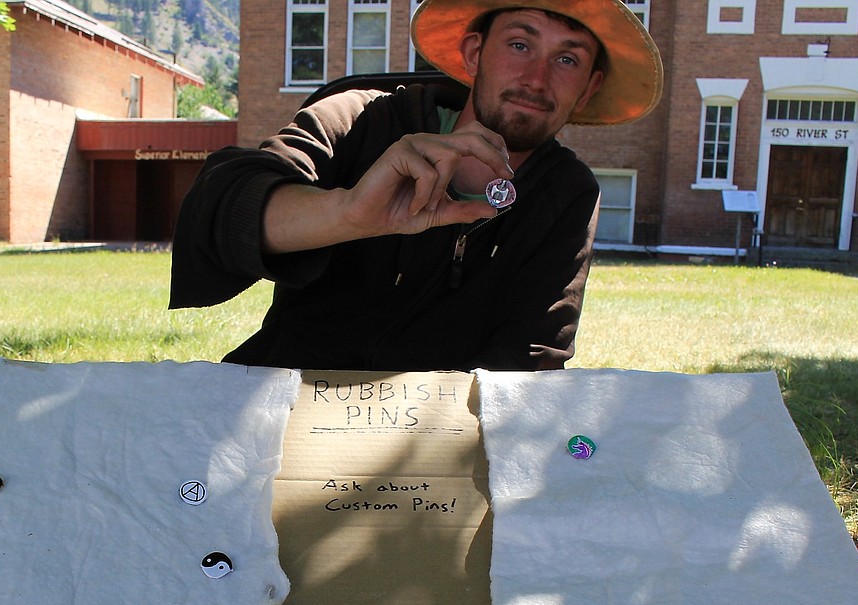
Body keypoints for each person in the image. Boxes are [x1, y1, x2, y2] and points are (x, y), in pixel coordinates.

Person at [169, 0, 661, 372]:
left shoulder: (567, 192)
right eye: (519, 45)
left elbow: (530, 357)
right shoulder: (362, 117)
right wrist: (346, 214)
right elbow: (222, 201)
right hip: (284, 400)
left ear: (589, 88)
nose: (536, 78)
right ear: (474, 53)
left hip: (432, 448)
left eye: (567, 60)